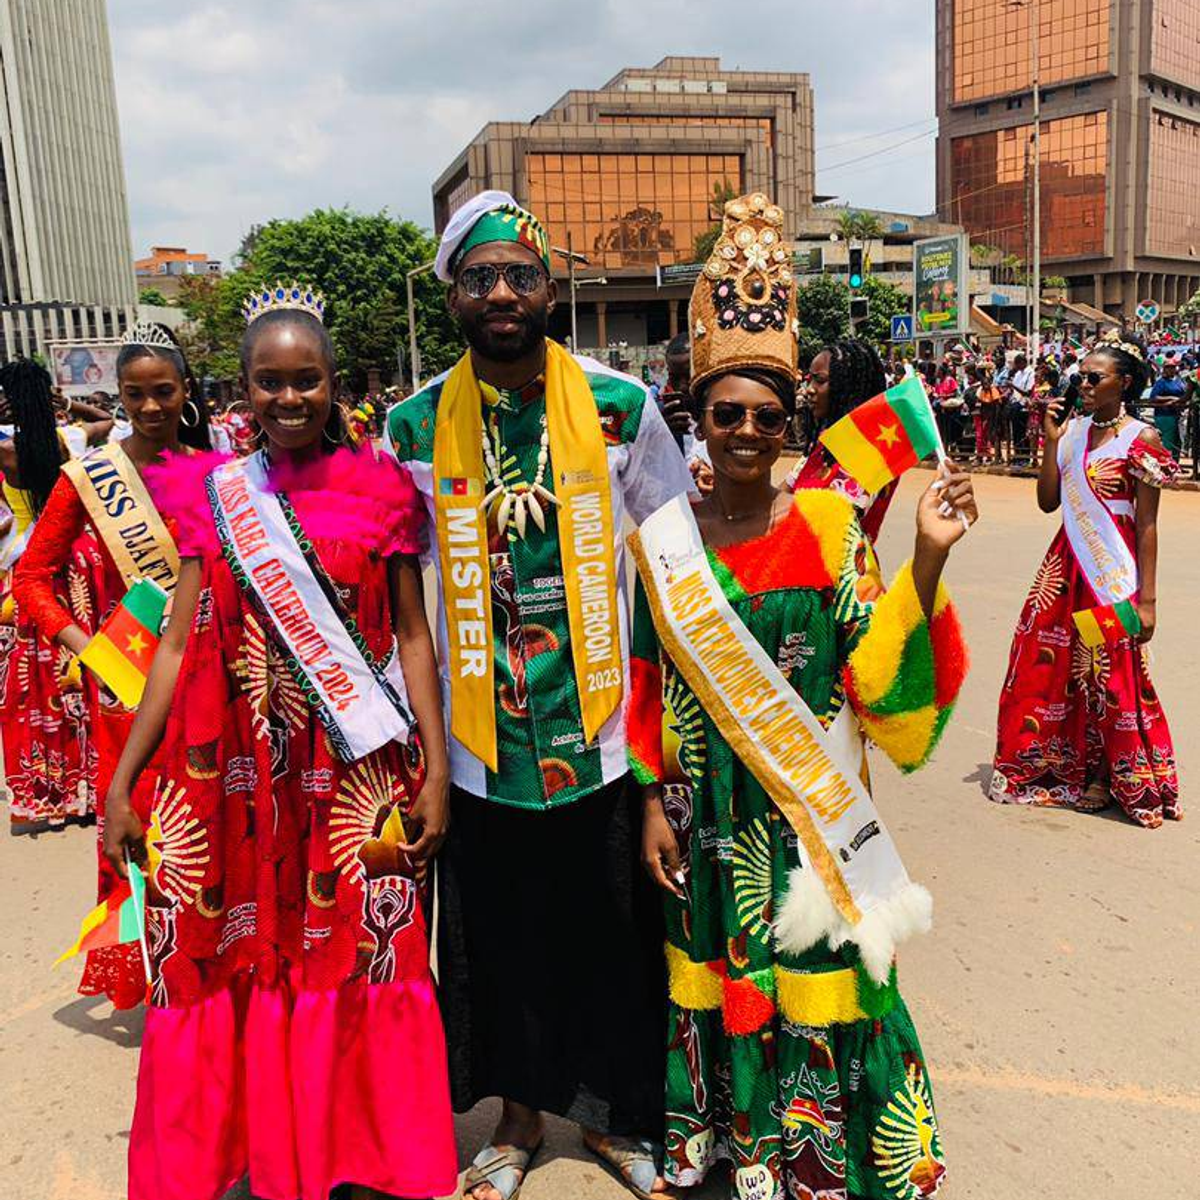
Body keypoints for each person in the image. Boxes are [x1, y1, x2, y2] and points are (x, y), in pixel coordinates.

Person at [627, 192, 976, 1200]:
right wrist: (653, 798)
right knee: (717, 984)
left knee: (823, 990)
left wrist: (923, 564)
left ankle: (821, 1164)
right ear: (694, 417)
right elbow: (646, 689)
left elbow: (881, 689)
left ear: (793, 425)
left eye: (767, 417)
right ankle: (733, 1153)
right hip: (707, 822)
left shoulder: (829, 529)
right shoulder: (664, 548)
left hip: (809, 819)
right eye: (724, 413)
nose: (745, 432)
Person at [102, 284, 456, 1200]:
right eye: (269, 381)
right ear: (244, 388)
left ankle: (355, 1151)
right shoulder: (207, 492)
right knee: (232, 948)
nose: (288, 398)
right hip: (232, 775)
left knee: (360, 949)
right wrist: (125, 781)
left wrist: (437, 771)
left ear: (337, 383)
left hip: (352, 777)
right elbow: (176, 643)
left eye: (307, 380)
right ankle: (257, 1151)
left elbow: (412, 636)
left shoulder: (382, 488)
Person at [384, 191, 693, 1200]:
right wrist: (426, 759)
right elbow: (407, 608)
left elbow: (670, 572)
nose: (504, 293)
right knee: (503, 943)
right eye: (481, 278)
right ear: (454, 297)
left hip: (602, 731)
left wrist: (655, 774)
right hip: (480, 744)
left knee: (613, 934)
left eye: (521, 273)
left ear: (552, 287)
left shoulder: (621, 409)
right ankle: (515, 1122)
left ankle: (617, 1122)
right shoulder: (414, 426)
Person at [13, 324, 211, 1007]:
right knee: (136, 827)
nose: (151, 406)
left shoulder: (216, 474)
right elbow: (32, 577)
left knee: (206, 822)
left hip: (205, 681)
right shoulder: (86, 479)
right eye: (136, 394)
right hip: (126, 689)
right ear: (118, 396)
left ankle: (205, 960)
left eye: (164, 391)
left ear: (186, 392)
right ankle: (154, 973)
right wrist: (86, 647)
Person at [991, 330, 1180, 827]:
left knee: (1106, 672)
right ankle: (1052, 762)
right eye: (1081, 376)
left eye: (1096, 377)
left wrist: (1148, 600)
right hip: (1066, 567)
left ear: (1126, 383)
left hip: (1110, 571)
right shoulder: (1071, 433)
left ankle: (1104, 773)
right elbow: (1049, 502)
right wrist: (1052, 442)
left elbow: (1147, 524)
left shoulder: (1142, 440)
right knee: (1043, 662)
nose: (1084, 384)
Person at [0, 358, 91, 833]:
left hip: (24, 574)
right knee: (75, 675)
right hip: (69, 570)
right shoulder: (70, 442)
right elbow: (103, 422)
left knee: (30, 690)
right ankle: (88, 786)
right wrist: (66, 404)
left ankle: (45, 791)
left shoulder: (4, 451)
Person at [784, 339, 896, 542]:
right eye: (810, 380)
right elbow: (782, 494)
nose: (809, 389)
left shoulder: (871, 453)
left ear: (848, 386)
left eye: (820, 380)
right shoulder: (824, 445)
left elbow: (825, 527)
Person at [1148, 358, 1186, 459]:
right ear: (1164, 369)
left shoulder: (1179, 380)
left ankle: (1176, 465)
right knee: (1169, 442)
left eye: (1172, 367)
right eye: (1168, 368)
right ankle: (1166, 465)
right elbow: (1153, 397)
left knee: (1178, 441)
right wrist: (1171, 398)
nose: (1171, 370)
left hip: (1178, 415)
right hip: (1165, 415)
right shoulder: (1161, 382)